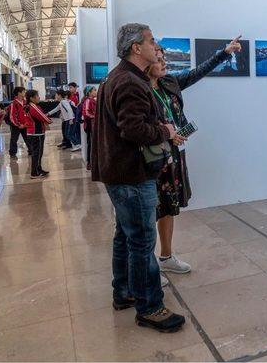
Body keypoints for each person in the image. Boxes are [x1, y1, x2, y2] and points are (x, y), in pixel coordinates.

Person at [91, 23, 185, 333]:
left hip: (118, 171)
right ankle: (150, 307)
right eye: (151, 41)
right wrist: (166, 131)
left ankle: (124, 291)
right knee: (143, 240)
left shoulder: (117, 77)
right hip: (131, 173)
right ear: (136, 48)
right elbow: (133, 129)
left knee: (125, 236)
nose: (155, 45)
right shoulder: (130, 82)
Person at [146, 37, 242, 279]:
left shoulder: (169, 82)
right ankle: (148, 268)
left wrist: (224, 53)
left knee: (169, 205)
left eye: (164, 57)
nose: (164, 62)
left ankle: (166, 257)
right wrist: (167, 137)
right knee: (149, 211)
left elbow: (199, 72)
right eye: (159, 58)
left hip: (174, 155)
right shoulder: (138, 89)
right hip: (152, 158)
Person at [25, 89, 52, 179]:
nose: (39, 97)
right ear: (32, 98)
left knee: (38, 152)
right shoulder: (33, 107)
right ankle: (34, 172)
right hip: (36, 133)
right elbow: (42, 116)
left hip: (32, 132)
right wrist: (49, 121)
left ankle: (38, 169)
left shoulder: (27, 106)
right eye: (37, 96)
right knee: (37, 153)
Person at [7, 86, 31, 160]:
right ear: (19, 93)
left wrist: (26, 123)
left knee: (27, 138)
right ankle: (13, 153)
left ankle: (31, 150)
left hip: (25, 125)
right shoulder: (13, 104)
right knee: (14, 139)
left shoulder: (26, 102)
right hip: (16, 125)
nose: (25, 93)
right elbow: (12, 116)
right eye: (23, 91)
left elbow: (27, 114)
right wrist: (18, 124)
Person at [81, 86, 97, 170]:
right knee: (90, 144)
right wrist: (96, 116)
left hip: (94, 125)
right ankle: (89, 163)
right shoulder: (88, 101)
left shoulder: (93, 101)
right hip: (90, 126)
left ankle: (94, 162)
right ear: (89, 92)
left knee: (93, 144)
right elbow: (86, 113)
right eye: (94, 90)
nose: (96, 91)